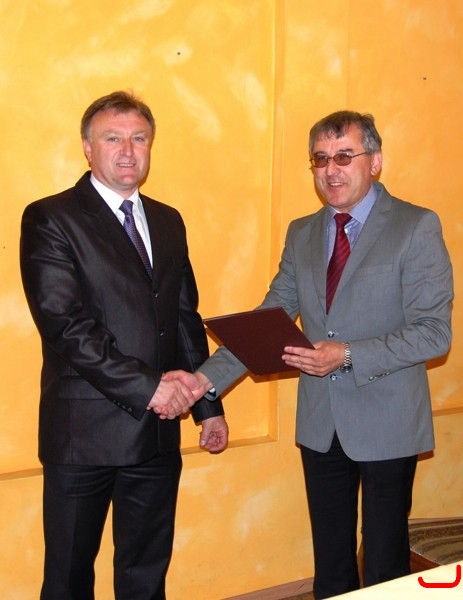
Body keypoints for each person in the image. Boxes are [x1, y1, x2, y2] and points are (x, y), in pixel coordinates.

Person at [164, 111, 454, 598]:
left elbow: (433, 334)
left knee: (384, 565)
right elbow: (268, 320)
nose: (330, 170)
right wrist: (203, 381)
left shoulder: (416, 226)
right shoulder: (302, 232)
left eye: (344, 156)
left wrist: (347, 354)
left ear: (375, 162)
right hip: (321, 423)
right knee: (331, 567)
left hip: (388, 421)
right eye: (320, 159)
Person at [20, 90, 228, 600]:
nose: (128, 151)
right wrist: (150, 388)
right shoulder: (51, 218)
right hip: (83, 436)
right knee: (68, 580)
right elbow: (65, 326)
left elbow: (183, 318)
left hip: (156, 436)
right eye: (113, 138)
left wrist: (208, 406)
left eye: (139, 138)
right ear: (87, 147)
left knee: (145, 576)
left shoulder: (168, 219)